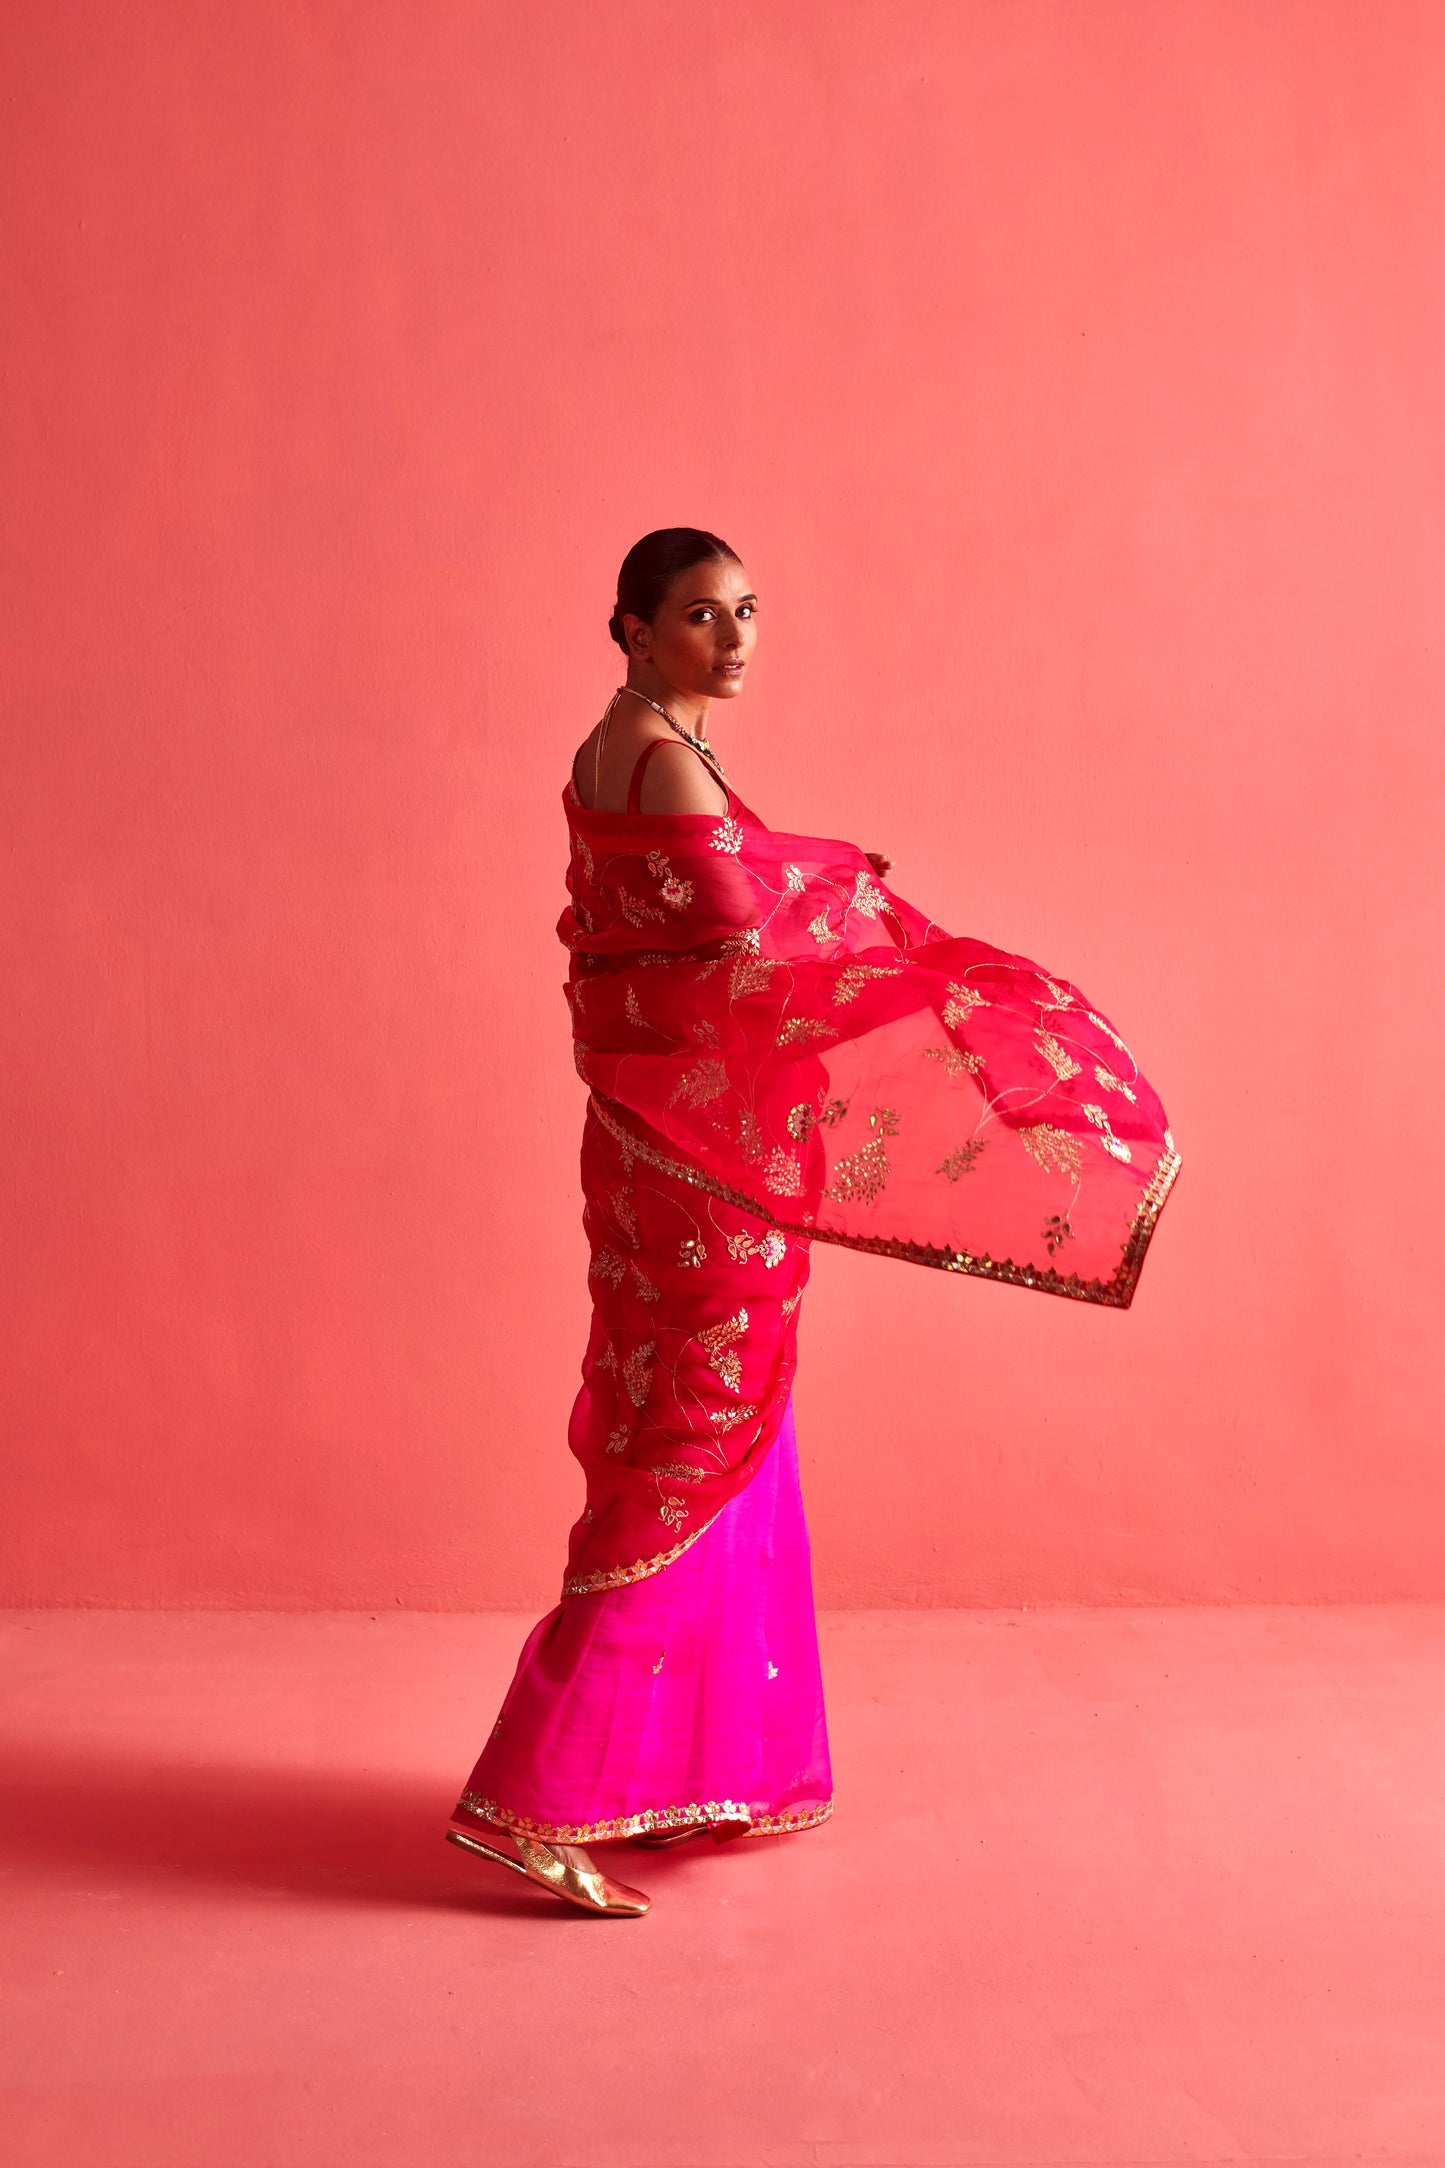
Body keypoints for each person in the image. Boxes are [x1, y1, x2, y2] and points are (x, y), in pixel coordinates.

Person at [445, 527, 1181, 1917]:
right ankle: (531, 1799)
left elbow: (665, 943)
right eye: (702, 617)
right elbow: (733, 936)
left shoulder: (612, 749)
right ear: (633, 629)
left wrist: (819, 887)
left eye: (747, 612)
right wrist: (844, 895)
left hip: (655, 1149)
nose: (736, 640)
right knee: (691, 1442)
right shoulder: (663, 757)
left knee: (685, 1426)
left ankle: (648, 1771)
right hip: (703, 1167)